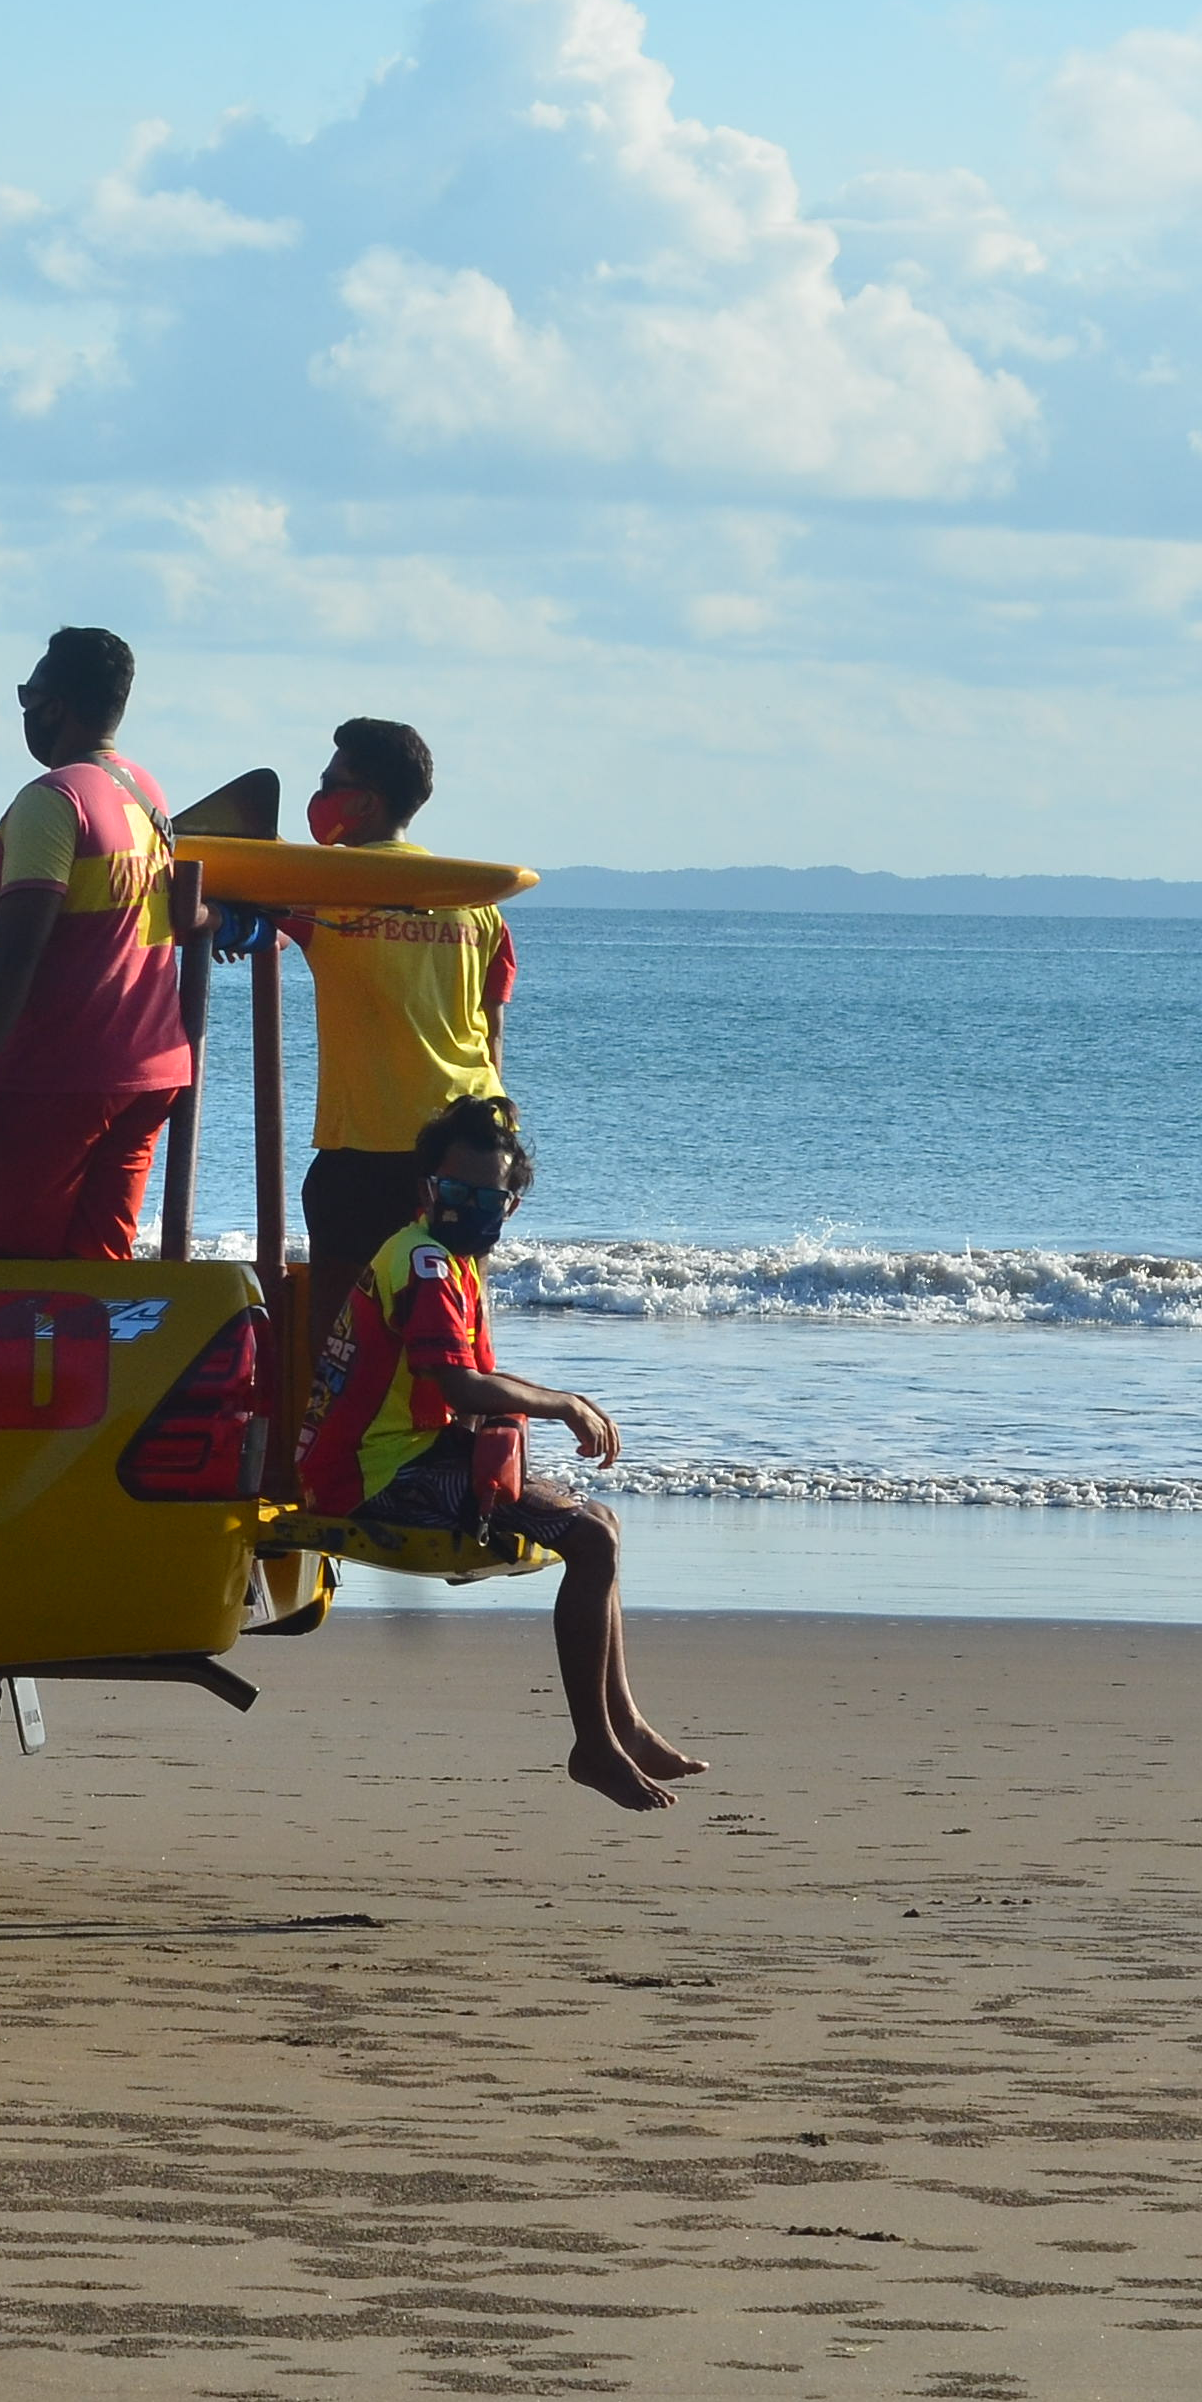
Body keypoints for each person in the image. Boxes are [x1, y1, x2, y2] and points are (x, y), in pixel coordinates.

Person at [303, 1093, 700, 1813]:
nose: (475, 1208)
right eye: (459, 1192)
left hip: (408, 1452)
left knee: (600, 1526)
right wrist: (564, 1403)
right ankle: (594, 1745)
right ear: (429, 1191)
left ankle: (626, 1726)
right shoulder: (423, 1264)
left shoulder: (451, 1258)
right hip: (372, 1475)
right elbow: (455, 1381)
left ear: (510, 1206)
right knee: (588, 1540)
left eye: (491, 1196)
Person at [0, 627, 192, 1259]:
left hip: (56, 1075)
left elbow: (19, 943)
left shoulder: (52, 800)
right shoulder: (144, 791)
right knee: (96, 1280)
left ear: (55, 706)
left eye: (30, 694)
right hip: (149, 1072)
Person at [269, 716, 515, 1310]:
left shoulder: (325, 889)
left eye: (330, 783)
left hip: (369, 1143)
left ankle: (331, 1408)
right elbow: (493, 1031)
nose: (320, 795)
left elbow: (256, 907)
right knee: (460, 1304)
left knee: (344, 1316)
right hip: (476, 1136)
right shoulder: (474, 900)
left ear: (363, 801)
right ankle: (471, 1406)